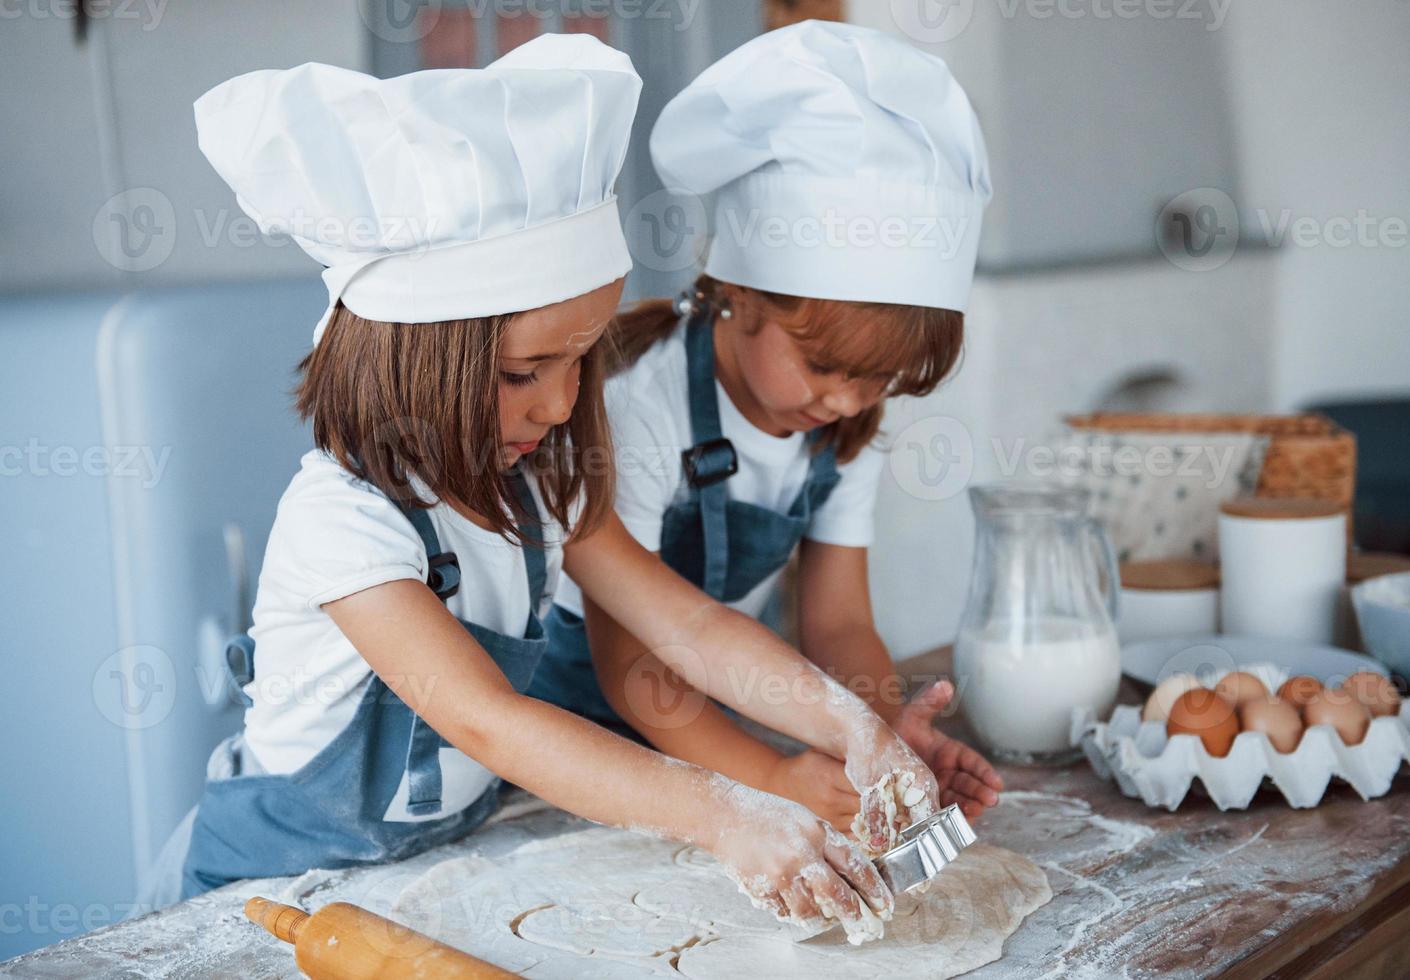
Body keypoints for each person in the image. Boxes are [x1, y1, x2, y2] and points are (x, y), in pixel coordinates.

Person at [139, 35, 935, 944]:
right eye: (526, 371)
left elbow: (692, 630)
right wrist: (726, 813)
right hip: (261, 901)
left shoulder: (543, 482)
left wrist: (850, 727)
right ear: (413, 358)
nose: (561, 403)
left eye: (581, 360)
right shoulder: (343, 523)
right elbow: (492, 723)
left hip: (423, 883)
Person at [530, 21, 1003, 833]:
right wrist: (774, 776)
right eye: (828, 368)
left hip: (708, 729)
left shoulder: (837, 425)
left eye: (879, 379)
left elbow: (839, 622)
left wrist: (884, 737)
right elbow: (632, 663)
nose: (852, 402)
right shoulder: (640, 409)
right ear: (739, 294)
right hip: (572, 741)